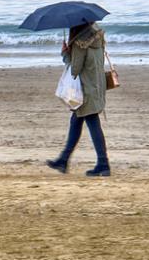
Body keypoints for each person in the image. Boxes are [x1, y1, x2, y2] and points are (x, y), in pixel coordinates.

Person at [47, 21, 110, 177]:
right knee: (76, 121)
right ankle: (63, 159)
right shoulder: (97, 35)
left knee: (92, 122)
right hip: (97, 84)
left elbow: (75, 69)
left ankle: (103, 164)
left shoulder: (80, 43)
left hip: (85, 89)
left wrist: (66, 53)